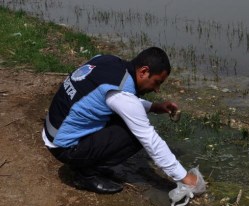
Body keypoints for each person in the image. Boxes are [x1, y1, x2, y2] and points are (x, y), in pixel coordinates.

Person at [42, 47, 197, 194]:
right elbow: (150, 139)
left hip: (54, 132)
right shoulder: (121, 92)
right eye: (157, 82)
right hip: (65, 148)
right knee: (135, 134)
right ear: (144, 71)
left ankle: (88, 161)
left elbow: (114, 99)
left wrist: (154, 107)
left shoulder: (107, 60)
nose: (157, 89)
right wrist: (184, 177)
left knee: (126, 118)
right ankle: (86, 174)